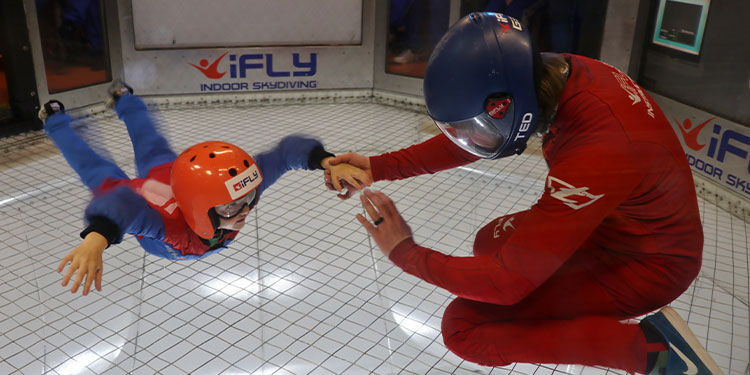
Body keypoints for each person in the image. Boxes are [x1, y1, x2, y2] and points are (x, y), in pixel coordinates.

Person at [325, 12, 722, 375]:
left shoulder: (601, 148)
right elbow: (481, 137)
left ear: (506, 106)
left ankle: (654, 353)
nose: (471, 139)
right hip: (613, 223)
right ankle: (579, 311)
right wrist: (378, 167)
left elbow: (506, 282)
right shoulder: (551, 72)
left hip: (649, 266)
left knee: (464, 327)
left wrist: (404, 252)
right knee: (489, 241)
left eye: (475, 126)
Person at [40, 81, 369, 296]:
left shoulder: (235, 193)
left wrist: (327, 161)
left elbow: (283, 155)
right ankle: (54, 122)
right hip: (143, 197)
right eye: (230, 208)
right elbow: (123, 205)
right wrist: (96, 238)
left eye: (248, 199)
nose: (244, 212)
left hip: (169, 175)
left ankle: (125, 101)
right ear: (201, 209)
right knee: (97, 171)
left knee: (151, 144)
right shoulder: (169, 228)